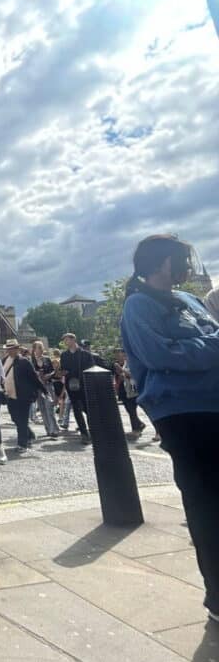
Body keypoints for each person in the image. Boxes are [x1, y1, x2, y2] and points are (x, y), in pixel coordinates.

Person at [121, 234, 219, 626]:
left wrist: (199, 347)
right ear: (163, 263)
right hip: (181, 411)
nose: (187, 267)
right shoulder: (138, 305)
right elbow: (160, 354)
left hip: (215, 403)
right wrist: (211, 346)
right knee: (206, 501)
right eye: (181, 260)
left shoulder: (192, 301)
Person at [2, 339, 44, 450]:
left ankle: (22, 444)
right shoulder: (5, 360)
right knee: (15, 418)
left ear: (17, 349)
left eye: (12, 348)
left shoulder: (24, 361)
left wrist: (44, 391)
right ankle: (29, 434)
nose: (10, 351)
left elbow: (34, 377)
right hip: (9, 395)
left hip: (23, 396)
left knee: (22, 420)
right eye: (8, 349)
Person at [59, 332, 93, 443]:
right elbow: (63, 369)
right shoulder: (64, 355)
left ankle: (93, 430)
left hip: (84, 386)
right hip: (71, 386)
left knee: (88, 409)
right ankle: (84, 433)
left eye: (67, 340)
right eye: (64, 340)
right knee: (77, 410)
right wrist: (61, 372)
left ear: (73, 340)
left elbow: (91, 369)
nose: (65, 342)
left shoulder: (85, 354)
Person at [111, 348, 145, 436]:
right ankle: (138, 426)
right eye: (116, 354)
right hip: (123, 391)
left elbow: (131, 375)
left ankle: (156, 431)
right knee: (130, 411)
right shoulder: (115, 365)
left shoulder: (130, 363)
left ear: (124, 354)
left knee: (140, 410)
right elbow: (116, 377)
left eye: (119, 354)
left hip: (133, 390)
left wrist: (121, 370)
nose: (117, 356)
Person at [31, 340, 60, 437]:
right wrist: (37, 375)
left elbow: (53, 371)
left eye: (42, 347)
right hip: (37, 387)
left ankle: (54, 430)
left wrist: (48, 375)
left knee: (49, 408)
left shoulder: (47, 359)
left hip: (48, 386)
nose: (41, 349)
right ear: (34, 349)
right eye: (39, 347)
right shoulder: (31, 361)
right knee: (42, 409)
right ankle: (48, 429)